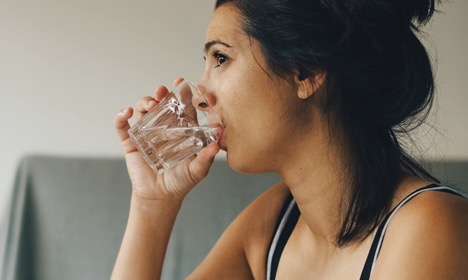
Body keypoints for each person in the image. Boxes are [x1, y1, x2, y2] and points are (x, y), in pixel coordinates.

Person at [112, 0, 468, 279]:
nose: (199, 96)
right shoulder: (274, 224)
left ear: (306, 72)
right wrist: (152, 203)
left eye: (221, 57)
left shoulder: (430, 226)